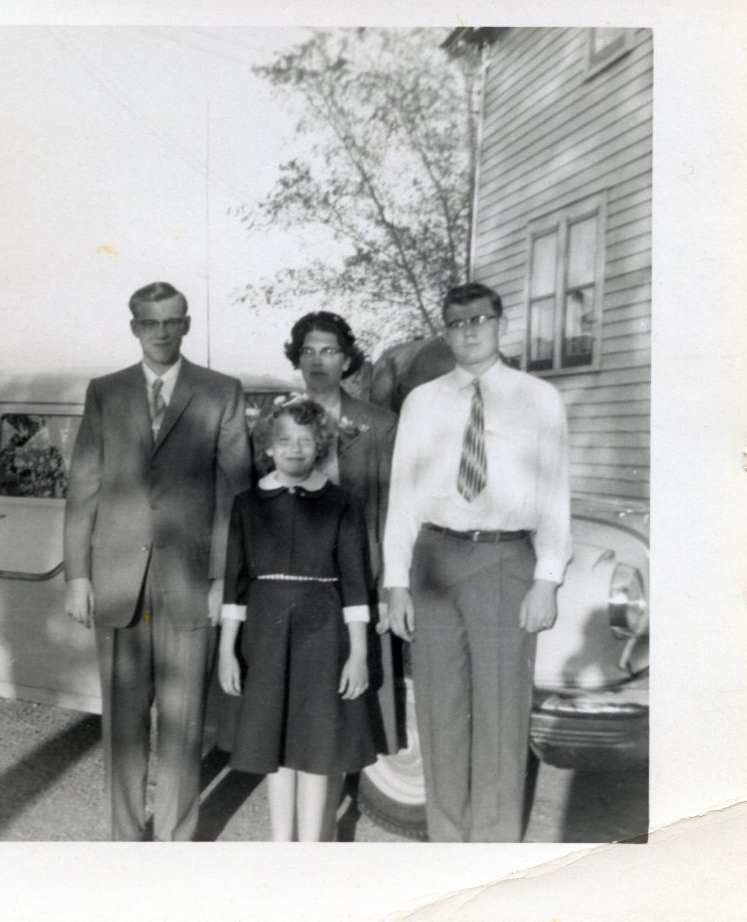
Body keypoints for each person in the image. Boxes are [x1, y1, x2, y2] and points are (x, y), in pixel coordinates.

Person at [382, 282, 572, 842]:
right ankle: (448, 843)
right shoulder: (422, 402)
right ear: (445, 332)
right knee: (440, 710)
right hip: (435, 561)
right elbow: (402, 497)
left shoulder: (539, 398)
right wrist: (396, 582)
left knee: (501, 714)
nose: (469, 331)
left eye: (480, 320)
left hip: (504, 559)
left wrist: (547, 579)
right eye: (457, 323)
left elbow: (555, 494)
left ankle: (494, 851)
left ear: (501, 324)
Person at [63, 281, 252, 841]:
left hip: (190, 583)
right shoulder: (106, 392)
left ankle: (175, 843)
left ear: (187, 324)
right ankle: (124, 842)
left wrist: (223, 579)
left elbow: (238, 495)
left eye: (172, 321)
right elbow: (84, 488)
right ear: (135, 328)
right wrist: (78, 576)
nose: (162, 332)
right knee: (122, 725)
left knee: (183, 723)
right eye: (150, 322)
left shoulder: (220, 391)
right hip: (118, 581)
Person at [217, 397, 378, 841]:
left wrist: (358, 654)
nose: (294, 448)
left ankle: (309, 851)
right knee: (276, 745)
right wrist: (227, 650)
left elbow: (355, 586)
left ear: (320, 446)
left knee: (315, 746)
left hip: (323, 634)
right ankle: (281, 849)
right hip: (265, 636)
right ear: (269, 446)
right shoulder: (248, 504)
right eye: (285, 440)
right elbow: (235, 585)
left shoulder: (341, 503)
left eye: (305, 441)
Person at [282, 312, 399, 759]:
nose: (317, 361)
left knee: (353, 686)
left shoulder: (378, 425)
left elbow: (390, 509)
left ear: (346, 360)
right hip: (294, 578)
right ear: (297, 358)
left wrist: (388, 588)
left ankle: (344, 772)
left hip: (357, 575)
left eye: (329, 351)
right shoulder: (275, 424)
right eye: (308, 351)